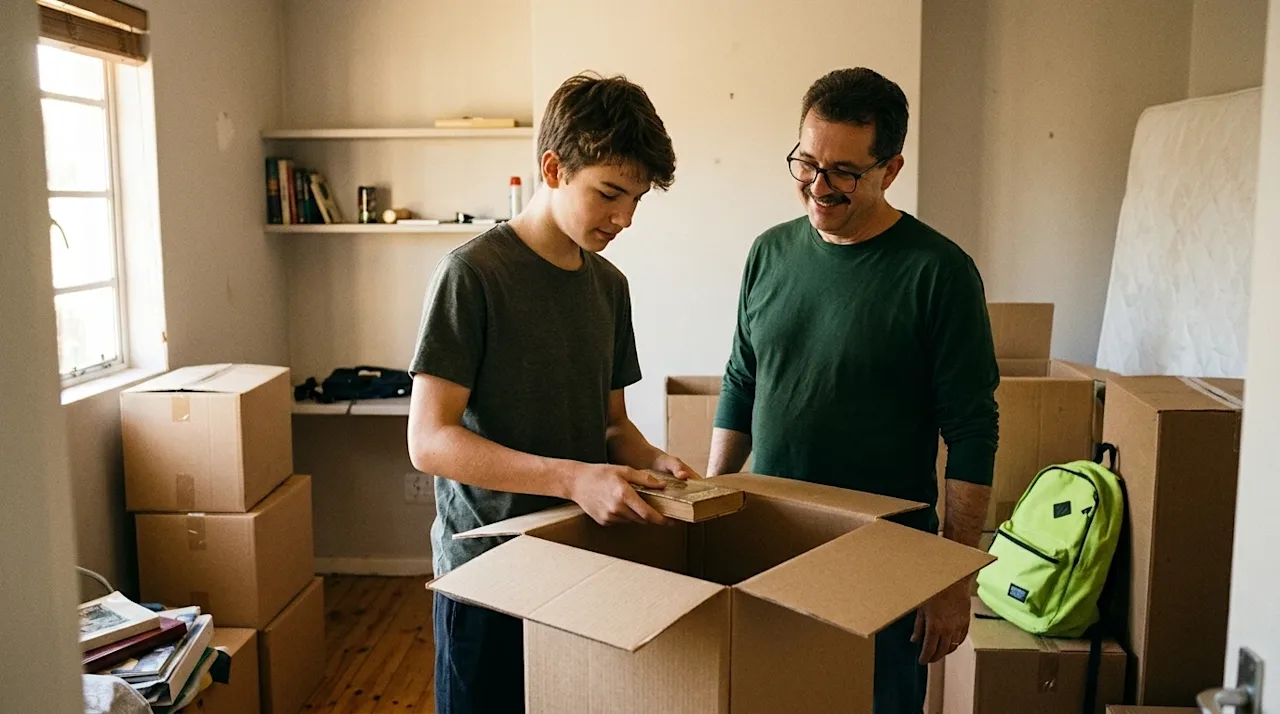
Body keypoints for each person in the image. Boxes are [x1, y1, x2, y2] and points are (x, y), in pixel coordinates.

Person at [707, 67, 999, 713]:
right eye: (805, 162)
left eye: (843, 171)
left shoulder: (939, 273)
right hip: (771, 544)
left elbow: (973, 430)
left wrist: (953, 579)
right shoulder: (768, 253)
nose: (817, 186)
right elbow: (742, 378)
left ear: (890, 170)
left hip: (885, 564)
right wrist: (709, 495)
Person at [407, 72, 696, 714]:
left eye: (637, 200)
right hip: (484, 573)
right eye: (610, 194)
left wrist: (652, 461)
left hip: (580, 562)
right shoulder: (471, 275)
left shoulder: (610, 286)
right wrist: (573, 479)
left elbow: (612, 424)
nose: (624, 218)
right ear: (554, 167)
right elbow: (429, 441)